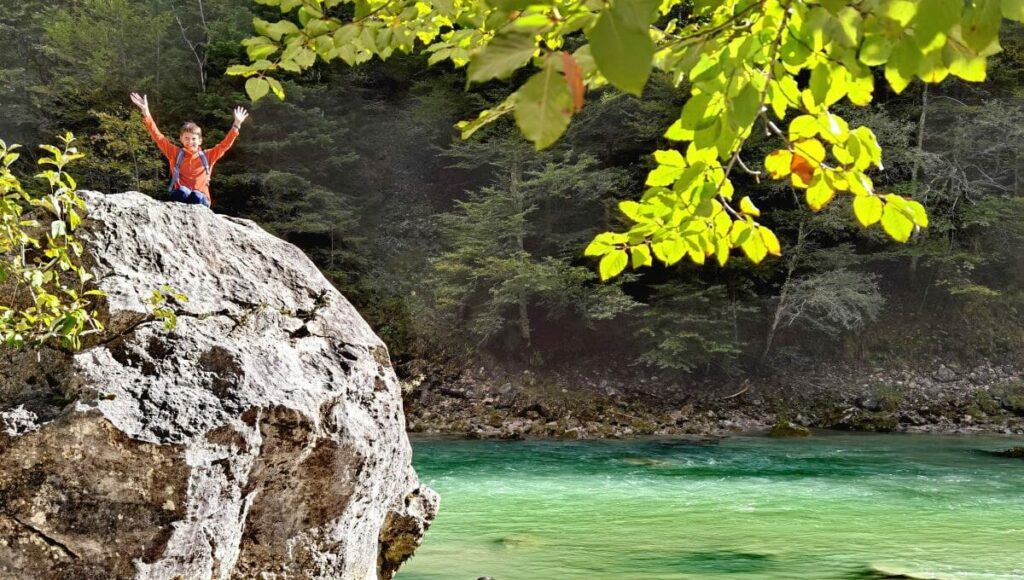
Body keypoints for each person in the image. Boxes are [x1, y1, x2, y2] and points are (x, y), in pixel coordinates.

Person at [130, 92, 248, 207]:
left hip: (201, 198)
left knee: (196, 195)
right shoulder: (175, 153)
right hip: (181, 196)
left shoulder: (208, 156)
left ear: (200, 140)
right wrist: (146, 112)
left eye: (193, 139)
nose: (190, 141)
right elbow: (158, 137)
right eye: (186, 138)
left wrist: (236, 124)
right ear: (181, 139)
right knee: (183, 191)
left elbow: (224, 145)